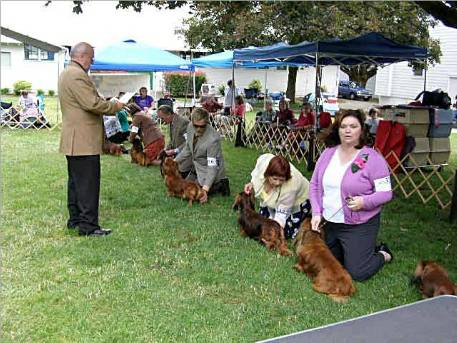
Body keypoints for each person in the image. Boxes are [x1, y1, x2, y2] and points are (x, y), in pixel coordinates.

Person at [309, 109, 393, 281]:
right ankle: (348, 248)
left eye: (353, 126)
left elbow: (386, 193)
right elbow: (315, 185)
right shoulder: (327, 154)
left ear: (361, 130)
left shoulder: (373, 159)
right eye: (343, 126)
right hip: (330, 222)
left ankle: (384, 253)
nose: (347, 130)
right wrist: (316, 213)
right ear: (337, 130)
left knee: (357, 273)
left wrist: (364, 201)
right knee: (322, 263)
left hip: (359, 224)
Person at [59, 42, 125, 236]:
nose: (92, 62)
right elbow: (92, 104)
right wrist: (115, 105)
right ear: (82, 56)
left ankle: (75, 219)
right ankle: (88, 226)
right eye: (91, 58)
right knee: (88, 184)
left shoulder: (67, 72)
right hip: (83, 140)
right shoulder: (77, 75)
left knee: (76, 182)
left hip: (74, 139)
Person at [244, 154, 311, 239]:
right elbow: (256, 176)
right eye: (275, 179)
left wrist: (274, 231)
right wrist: (252, 184)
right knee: (262, 224)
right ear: (267, 174)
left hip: (299, 200)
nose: (277, 183)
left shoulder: (292, 185)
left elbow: (281, 215)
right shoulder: (263, 162)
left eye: (281, 180)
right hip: (274, 198)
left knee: (286, 233)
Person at [175, 107, 230, 203]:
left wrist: (205, 190)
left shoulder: (213, 139)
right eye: (196, 126)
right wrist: (174, 161)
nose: (199, 129)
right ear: (192, 122)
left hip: (211, 171)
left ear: (207, 123)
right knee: (181, 189)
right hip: (197, 168)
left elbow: (212, 166)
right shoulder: (190, 127)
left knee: (194, 194)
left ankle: (221, 183)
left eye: (202, 126)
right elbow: (188, 148)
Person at [157, 104, 193, 175]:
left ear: (169, 114)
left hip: (186, 155)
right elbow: (172, 140)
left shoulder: (183, 123)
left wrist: (174, 151)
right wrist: (165, 150)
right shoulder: (171, 121)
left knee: (179, 174)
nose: (162, 121)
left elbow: (189, 142)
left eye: (162, 118)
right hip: (178, 154)